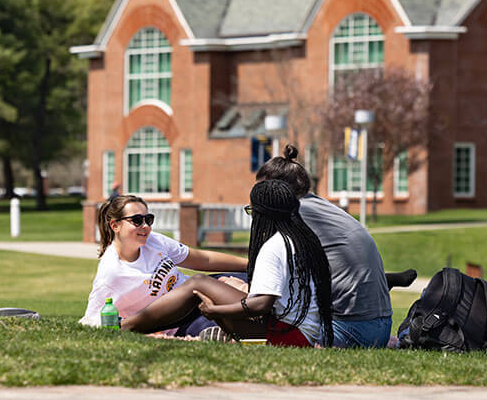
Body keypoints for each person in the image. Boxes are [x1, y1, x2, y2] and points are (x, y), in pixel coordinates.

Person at [254, 145, 397, 347]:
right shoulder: (320, 206)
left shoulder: (295, 213)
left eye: (261, 191)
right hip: (379, 325)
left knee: (254, 299)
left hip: (349, 329)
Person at [80, 195, 249, 335]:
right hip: (179, 322)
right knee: (245, 319)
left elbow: (201, 258)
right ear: (115, 225)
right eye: (137, 220)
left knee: (257, 281)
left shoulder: (153, 241)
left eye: (148, 219)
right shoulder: (112, 272)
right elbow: (91, 319)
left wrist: (249, 265)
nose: (145, 226)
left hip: (200, 295)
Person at [196, 178, 335, 347]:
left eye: (251, 211)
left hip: (290, 336)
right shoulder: (302, 239)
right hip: (305, 333)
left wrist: (214, 311)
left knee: (199, 283)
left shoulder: (274, 246)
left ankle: (154, 326)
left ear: (262, 213)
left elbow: (262, 304)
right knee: (214, 287)